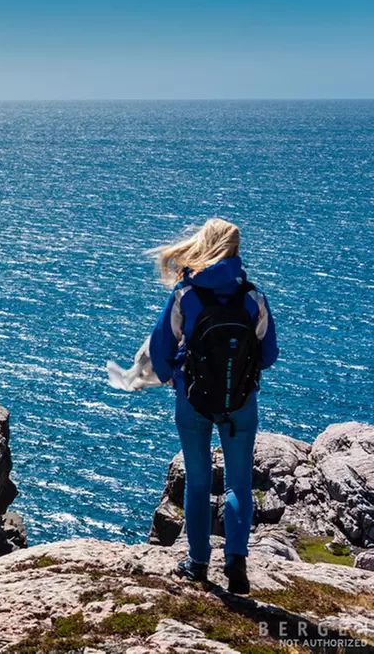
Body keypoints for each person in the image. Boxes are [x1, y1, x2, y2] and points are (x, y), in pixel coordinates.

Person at [147, 219, 278, 595]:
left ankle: (198, 562)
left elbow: (160, 350)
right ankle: (236, 560)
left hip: (192, 400)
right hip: (240, 402)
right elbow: (268, 355)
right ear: (236, 251)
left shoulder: (185, 294)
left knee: (199, 481)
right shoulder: (253, 298)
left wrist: (175, 374)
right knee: (238, 483)